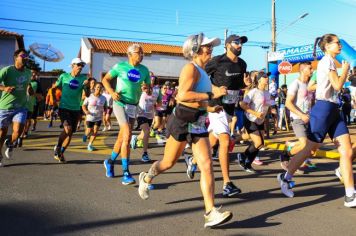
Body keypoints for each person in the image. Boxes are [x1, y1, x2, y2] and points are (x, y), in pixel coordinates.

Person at [138, 33, 233, 228]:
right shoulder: (190, 68)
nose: (211, 49)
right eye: (207, 46)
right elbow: (183, 95)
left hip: (198, 122)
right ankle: (147, 177)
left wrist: (210, 107)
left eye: (211, 46)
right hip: (181, 120)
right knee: (168, 162)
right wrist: (210, 93)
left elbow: (198, 101)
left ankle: (210, 212)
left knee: (206, 164)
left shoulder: (204, 72)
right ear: (196, 49)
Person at [277, 34, 356, 207]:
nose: (340, 45)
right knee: (309, 149)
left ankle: (350, 194)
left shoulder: (332, 62)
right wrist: (344, 72)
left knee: (347, 151)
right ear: (327, 46)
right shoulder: (326, 61)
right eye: (337, 43)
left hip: (335, 109)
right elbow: (337, 85)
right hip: (323, 109)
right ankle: (286, 177)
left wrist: (343, 72)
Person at [186, 34, 248, 197]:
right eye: (236, 42)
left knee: (213, 138)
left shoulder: (242, 64)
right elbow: (201, 76)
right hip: (216, 105)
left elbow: (239, 85)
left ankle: (192, 160)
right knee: (225, 141)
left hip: (230, 107)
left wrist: (246, 85)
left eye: (241, 43)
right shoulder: (218, 61)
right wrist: (214, 89)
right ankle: (227, 183)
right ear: (228, 45)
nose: (240, 45)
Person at [102, 43, 150, 185]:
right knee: (128, 135)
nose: (141, 55)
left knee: (122, 138)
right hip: (120, 103)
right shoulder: (120, 66)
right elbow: (105, 79)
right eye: (138, 52)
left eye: (142, 53)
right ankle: (126, 173)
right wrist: (111, 92)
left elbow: (148, 88)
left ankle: (110, 162)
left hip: (133, 106)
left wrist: (146, 87)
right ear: (129, 54)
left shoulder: (144, 70)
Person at [0, 49, 32, 166]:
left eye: (26, 56)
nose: (25, 57)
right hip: (6, 107)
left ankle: (10, 144)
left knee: (18, 131)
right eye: (23, 55)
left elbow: (27, 85)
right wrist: (4, 88)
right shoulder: (7, 70)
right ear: (16, 57)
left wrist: (31, 90)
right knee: (2, 132)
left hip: (21, 106)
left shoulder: (28, 72)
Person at [280, 62, 314, 171]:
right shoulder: (295, 84)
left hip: (308, 119)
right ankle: (286, 155)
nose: (312, 70)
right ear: (302, 70)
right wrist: (302, 115)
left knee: (311, 149)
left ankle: (293, 148)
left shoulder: (310, 84)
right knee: (304, 144)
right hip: (297, 118)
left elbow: (311, 102)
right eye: (310, 68)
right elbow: (288, 103)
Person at [53, 58, 88, 163]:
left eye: (82, 65)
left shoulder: (83, 78)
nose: (80, 67)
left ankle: (61, 152)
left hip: (76, 109)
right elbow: (54, 88)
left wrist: (86, 87)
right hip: (64, 107)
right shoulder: (64, 76)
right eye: (78, 65)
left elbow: (88, 94)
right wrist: (54, 100)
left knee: (70, 133)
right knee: (67, 129)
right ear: (72, 65)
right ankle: (58, 147)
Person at [238, 72, 272, 172]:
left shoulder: (267, 93)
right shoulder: (253, 92)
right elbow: (243, 105)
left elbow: (265, 106)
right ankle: (243, 156)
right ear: (259, 80)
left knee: (260, 144)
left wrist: (270, 111)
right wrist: (255, 113)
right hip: (250, 119)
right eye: (265, 77)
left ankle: (248, 163)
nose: (267, 78)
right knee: (258, 142)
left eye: (267, 76)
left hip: (260, 120)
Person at [130, 82, 161, 162]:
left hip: (150, 116)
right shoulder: (140, 90)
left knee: (144, 134)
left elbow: (159, 103)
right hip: (141, 115)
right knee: (147, 132)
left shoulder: (157, 91)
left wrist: (156, 105)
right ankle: (145, 154)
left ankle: (135, 138)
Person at [82, 82, 107, 151]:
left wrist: (105, 112)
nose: (99, 88)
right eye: (98, 87)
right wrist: (86, 111)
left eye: (101, 87)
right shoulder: (89, 96)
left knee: (95, 131)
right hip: (90, 117)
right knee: (89, 130)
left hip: (98, 117)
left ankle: (90, 145)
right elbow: (83, 105)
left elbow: (105, 107)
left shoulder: (103, 98)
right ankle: (85, 135)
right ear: (95, 88)